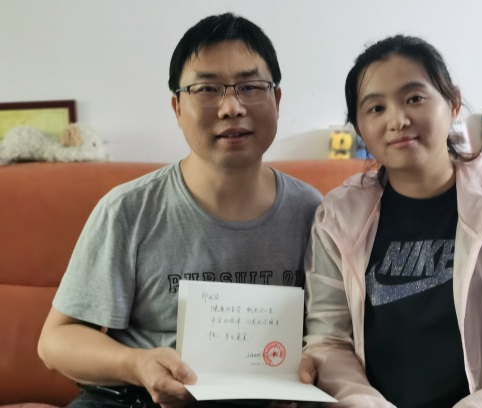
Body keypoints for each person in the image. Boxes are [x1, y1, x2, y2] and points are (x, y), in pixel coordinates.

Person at [37, 12, 322, 407]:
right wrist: (137, 365)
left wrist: (312, 361)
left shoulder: (313, 212)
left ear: (276, 100)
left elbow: (330, 329)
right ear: (177, 108)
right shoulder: (128, 211)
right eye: (207, 89)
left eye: (250, 87)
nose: (231, 107)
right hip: (140, 399)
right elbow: (55, 341)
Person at [298, 34, 482, 407]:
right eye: (376, 108)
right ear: (360, 129)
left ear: (453, 103)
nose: (398, 120)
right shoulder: (336, 219)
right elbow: (328, 342)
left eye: (414, 98)